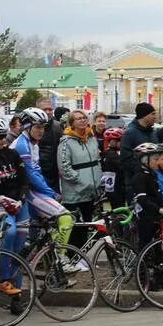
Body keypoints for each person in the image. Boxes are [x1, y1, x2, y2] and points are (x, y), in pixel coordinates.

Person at [10, 108, 74, 247]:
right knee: (65, 218)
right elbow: (31, 174)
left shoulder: (33, 144)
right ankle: (59, 259)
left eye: (43, 127)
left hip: (32, 189)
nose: (41, 131)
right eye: (38, 127)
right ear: (27, 127)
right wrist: (51, 193)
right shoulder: (21, 145)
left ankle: (40, 254)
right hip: (26, 191)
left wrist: (48, 190)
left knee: (42, 228)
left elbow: (37, 172)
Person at [0, 117, 30, 294]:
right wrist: (0, 198)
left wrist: (21, 199)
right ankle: (5, 278)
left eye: (4, 136)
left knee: (20, 246)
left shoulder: (12, 154)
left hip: (18, 202)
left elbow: (24, 180)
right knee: (10, 233)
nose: (3, 140)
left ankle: (16, 293)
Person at [131, 142, 163, 289]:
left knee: (159, 247)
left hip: (156, 215)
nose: (158, 161)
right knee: (144, 247)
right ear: (145, 160)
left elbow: (157, 195)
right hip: (145, 216)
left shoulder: (151, 174)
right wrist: (160, 210)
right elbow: (143, 199)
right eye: (154, 158)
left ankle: (160, 277)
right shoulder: (139, 176)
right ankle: (143, 279)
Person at [58, 109, 102, 262]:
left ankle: (79, 258)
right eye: (78, 119)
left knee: (85, 226)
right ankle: (70, 257)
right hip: (75, 192)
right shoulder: (66, 142)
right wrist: (80, 180)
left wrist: (97, 180)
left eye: (84, 117)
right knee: (75, 227)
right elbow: (64, 167)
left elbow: (96, 161)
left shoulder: (91, 138)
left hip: (91, 191)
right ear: (72, 123)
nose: (82, 120)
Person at [120, 103, 159, 181]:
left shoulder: (153, 132)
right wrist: (143, 170)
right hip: (135, 182)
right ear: (144, 115)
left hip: (153, 180)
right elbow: (126, 159)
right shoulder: (129, 133)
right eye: (153, 114)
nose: (155, 117)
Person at [36, 98, 64, 193]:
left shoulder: (58, 126)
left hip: (55, 172)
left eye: (50, 109)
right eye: (44, 109)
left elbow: (62, 148)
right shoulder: (31, 127)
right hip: (38, 171)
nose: (48, 112)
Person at [101, 127, 125, 207]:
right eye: (121, 141)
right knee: (119, 208)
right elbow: (122, 166)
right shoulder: (112, 155)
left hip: (110, 186)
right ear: (114, 141)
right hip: (116, 187)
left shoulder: (107, 152)